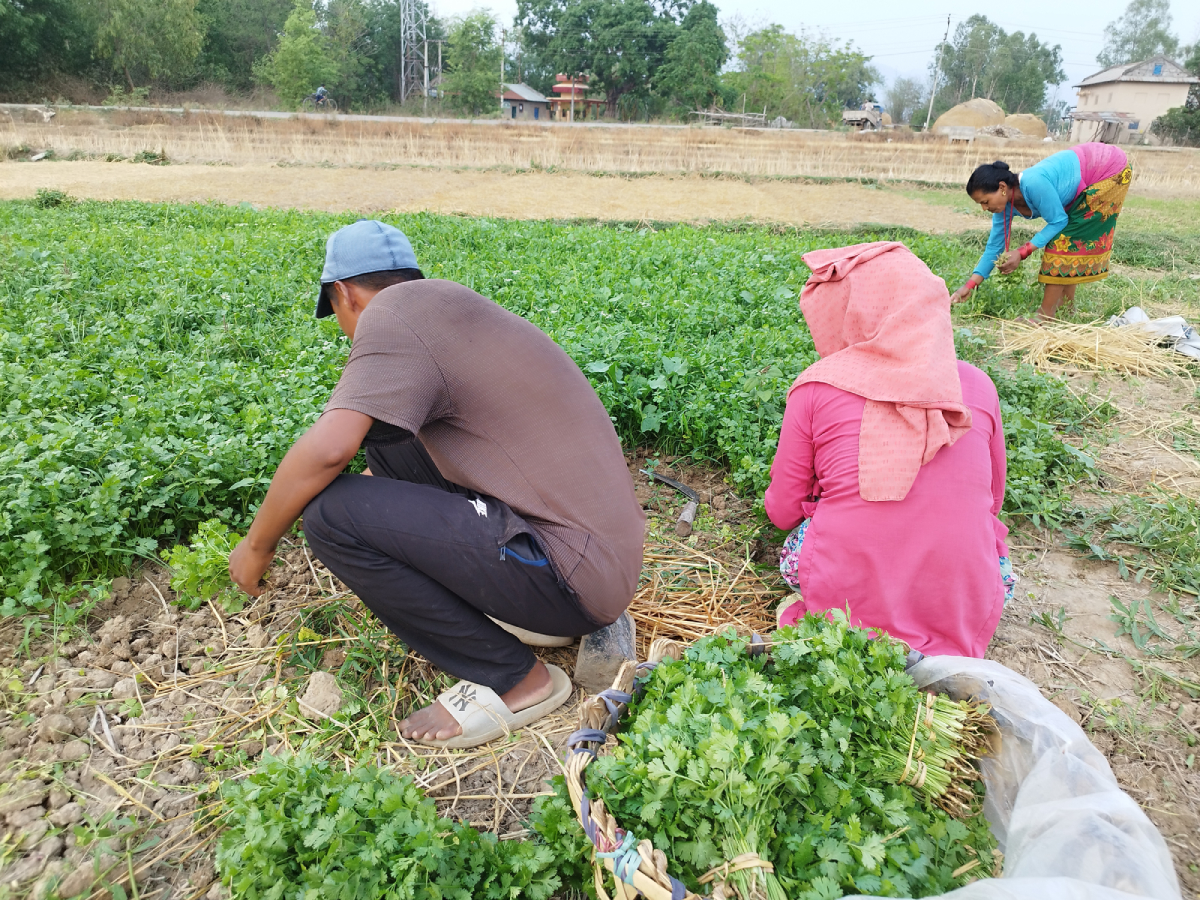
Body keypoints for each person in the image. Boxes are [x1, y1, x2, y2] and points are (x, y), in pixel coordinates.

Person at [227, 219, 645, 748]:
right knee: (385, 437)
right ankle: (543, 621)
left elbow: (330, 448)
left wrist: (257, 545)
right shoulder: (445, 308)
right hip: (594, 560)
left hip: (570, 574)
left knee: (332, 516)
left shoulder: (393, 318)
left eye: (335, 313)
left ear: (344, 294)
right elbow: (371, 446)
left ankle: (516, 678)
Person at [765, 241, 1014, 658]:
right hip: (961, 592)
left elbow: (782, 512)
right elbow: (993, 502)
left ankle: (833, 616)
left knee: (804, 543)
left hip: (843, 591)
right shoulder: (976, 384)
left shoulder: (816, 388)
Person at [950, 143, 1132, 322]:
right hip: (1090, 173)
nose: (984, 208)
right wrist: (970, 285)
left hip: (1108, 169)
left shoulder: (1033, 183)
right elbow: (994, 247)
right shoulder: (1003, 207)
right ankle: (1065, 308)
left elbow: (1059, 221)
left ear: (1003, 188)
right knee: (1068, 238)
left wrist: (1022, 252)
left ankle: (1045, 315)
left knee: (1062, 242)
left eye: (985, 201)